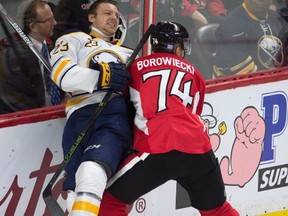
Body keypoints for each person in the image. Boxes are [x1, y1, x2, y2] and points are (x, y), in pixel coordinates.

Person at [98, 21, 240, 216]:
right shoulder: (195, 73)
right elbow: (193, 113)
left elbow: (125, 108)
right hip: (199, 149)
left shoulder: (135, 67)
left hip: (158, 147)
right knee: (218, 211)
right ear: (177, 47)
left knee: (108, 200)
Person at [49, 0, 133, 215]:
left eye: (116, 14)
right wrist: (101, 77)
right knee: (74, 191)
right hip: (78, 118)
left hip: (113, 117)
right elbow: (62, 75)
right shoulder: (74, 40)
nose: (114, 17)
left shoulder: (129, 54)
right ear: (91, 17)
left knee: (91, 172)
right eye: (107, 13)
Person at [0, 0, 62, 114]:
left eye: (53, 17)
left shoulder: (50, 45)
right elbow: (17, 99)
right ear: (33, 26)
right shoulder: (14, 56)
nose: (55, 22)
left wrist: (65, 97)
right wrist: (43, 116)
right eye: (49, 20)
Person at [213, 0, 288, 77]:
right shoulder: (230, 26)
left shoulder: (278, 20)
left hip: (273, 78)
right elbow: (248, 74)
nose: (260, 1)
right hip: (233, 82)